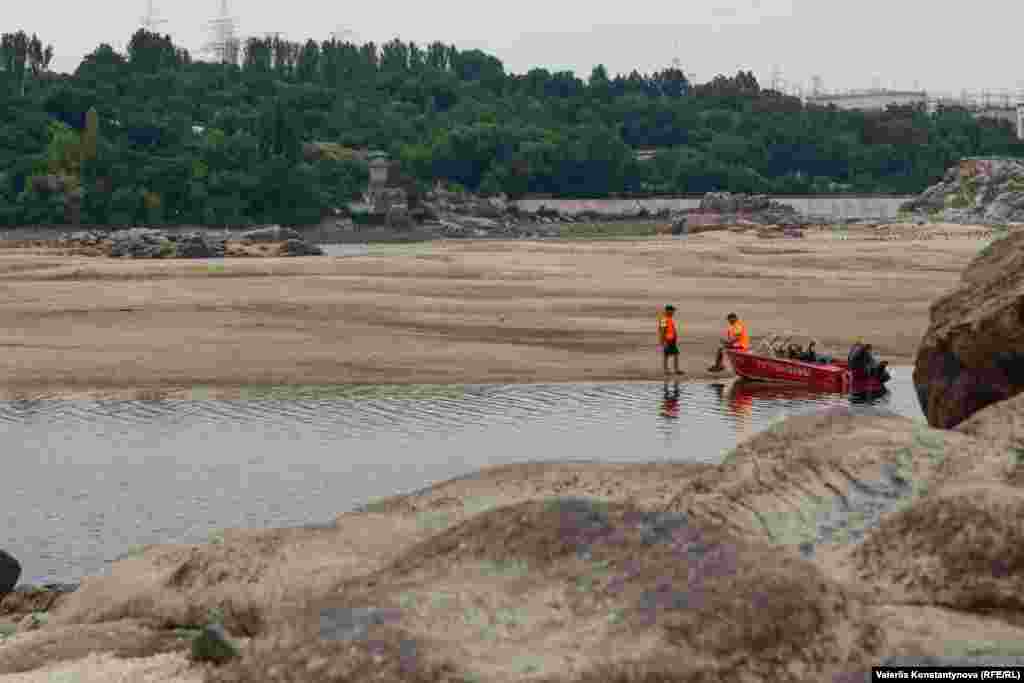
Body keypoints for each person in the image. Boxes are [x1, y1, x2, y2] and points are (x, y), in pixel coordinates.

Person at [658, 305, 683, 376]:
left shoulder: (669, 318)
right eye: (672, 311)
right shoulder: (664, 319)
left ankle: (674, 370)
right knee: (669, 355)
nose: (673, 313)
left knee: (673, 354)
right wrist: (662, 341)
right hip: (668, 340)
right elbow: (662, 330)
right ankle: (668, 370)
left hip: (671, 339)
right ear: (667, 311)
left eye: (673, 311)